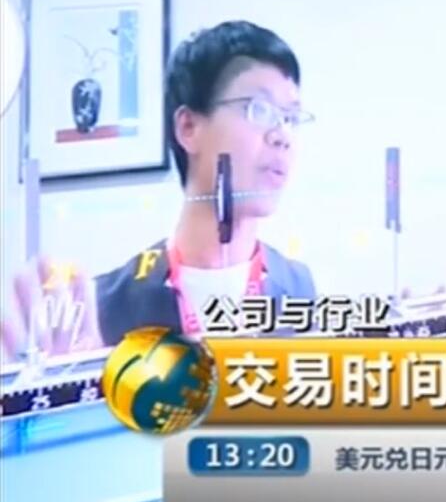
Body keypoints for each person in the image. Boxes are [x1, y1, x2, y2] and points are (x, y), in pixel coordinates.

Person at [1, 20, 318, 358]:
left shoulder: (300, 289)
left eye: (291, 117)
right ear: (188, 127)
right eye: (259, 109)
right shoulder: (104, 308)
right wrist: (66, 381)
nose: (282, 136)